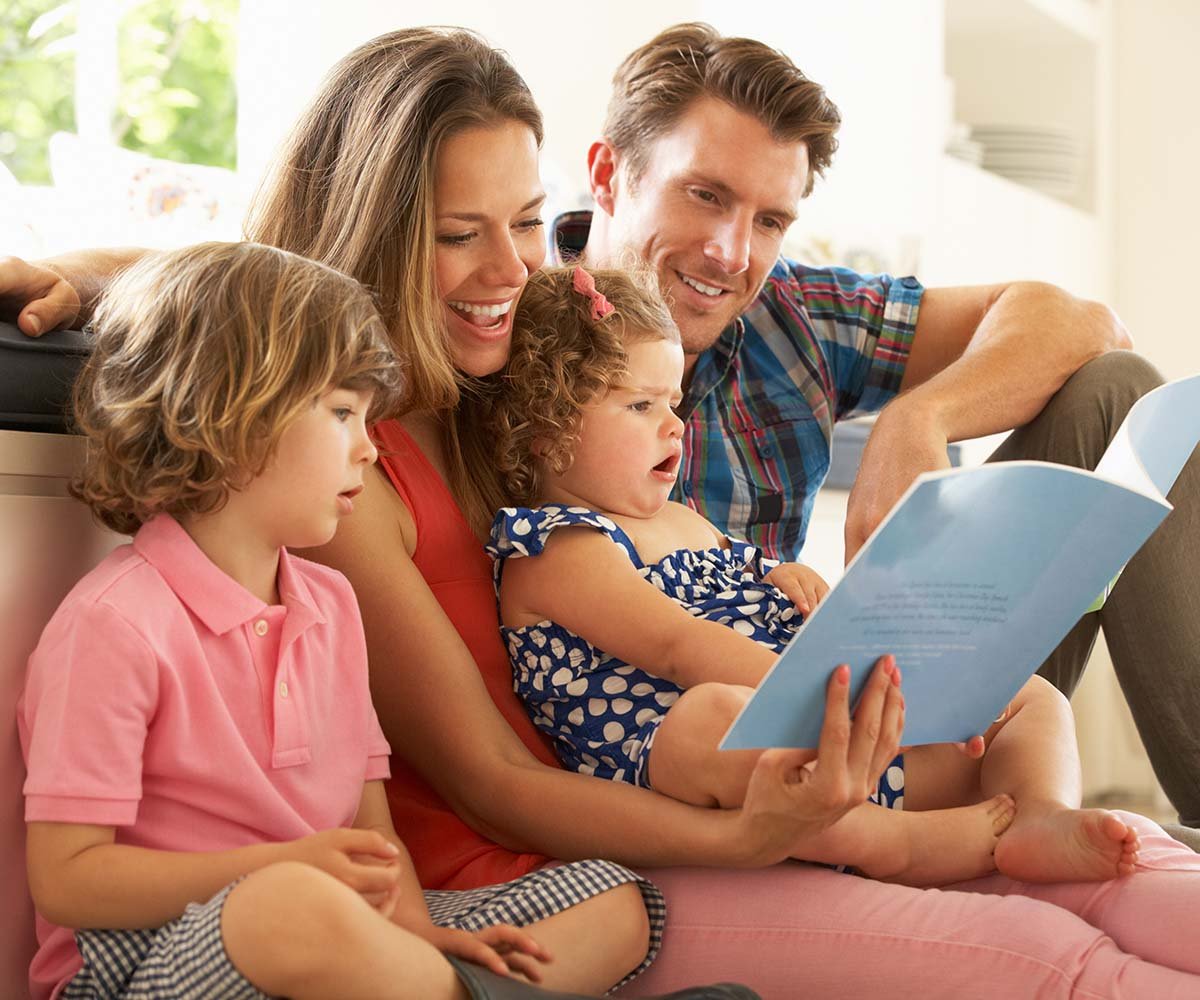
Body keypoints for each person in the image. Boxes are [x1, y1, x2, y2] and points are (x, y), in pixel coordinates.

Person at [6, 24, 1200, 1000]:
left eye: (524, 226)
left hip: (686, 822)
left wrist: (911, 428)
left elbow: (1074, 320)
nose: (505, 268)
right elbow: (261, 286)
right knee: (1060, 953)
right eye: (458, 235)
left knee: (1122, 863)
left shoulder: (537, 344)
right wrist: (105, 270)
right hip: (640, 825)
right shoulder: (348, 478)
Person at [17, 240, 751, 1000]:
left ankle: (437, 985)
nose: (369, 450)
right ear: (230, 416)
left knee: (611, 899)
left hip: (330, 938)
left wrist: (418, 931)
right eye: (341, 413)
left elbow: (373, 832)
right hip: (144, 962)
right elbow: (70, 883)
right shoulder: (116, 626)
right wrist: (275, 871)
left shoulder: (330, 604)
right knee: (288, 909)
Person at [555, 22, 1200, 849]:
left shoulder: (789, 314)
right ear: (610, 175)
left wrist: (917, 418)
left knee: (1119, 391)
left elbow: (1081, 321)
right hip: (683, 753)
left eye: (769, 220)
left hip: (847, 703)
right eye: (705, 195)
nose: (730, 253)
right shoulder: (514, 330)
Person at [484, 262, 1156, 888]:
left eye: (675, 402)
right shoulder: (557, 549)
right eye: (640, 406)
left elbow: (754, 575)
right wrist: (846, 703)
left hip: (828, 738)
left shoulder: (683, 520)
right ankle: (892, 843)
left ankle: (1037, 815)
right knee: (710, 717)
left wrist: (791, 582)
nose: (673, 426)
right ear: (546, 429)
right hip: (706, 766)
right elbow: (679, 649)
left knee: (1034, 697)